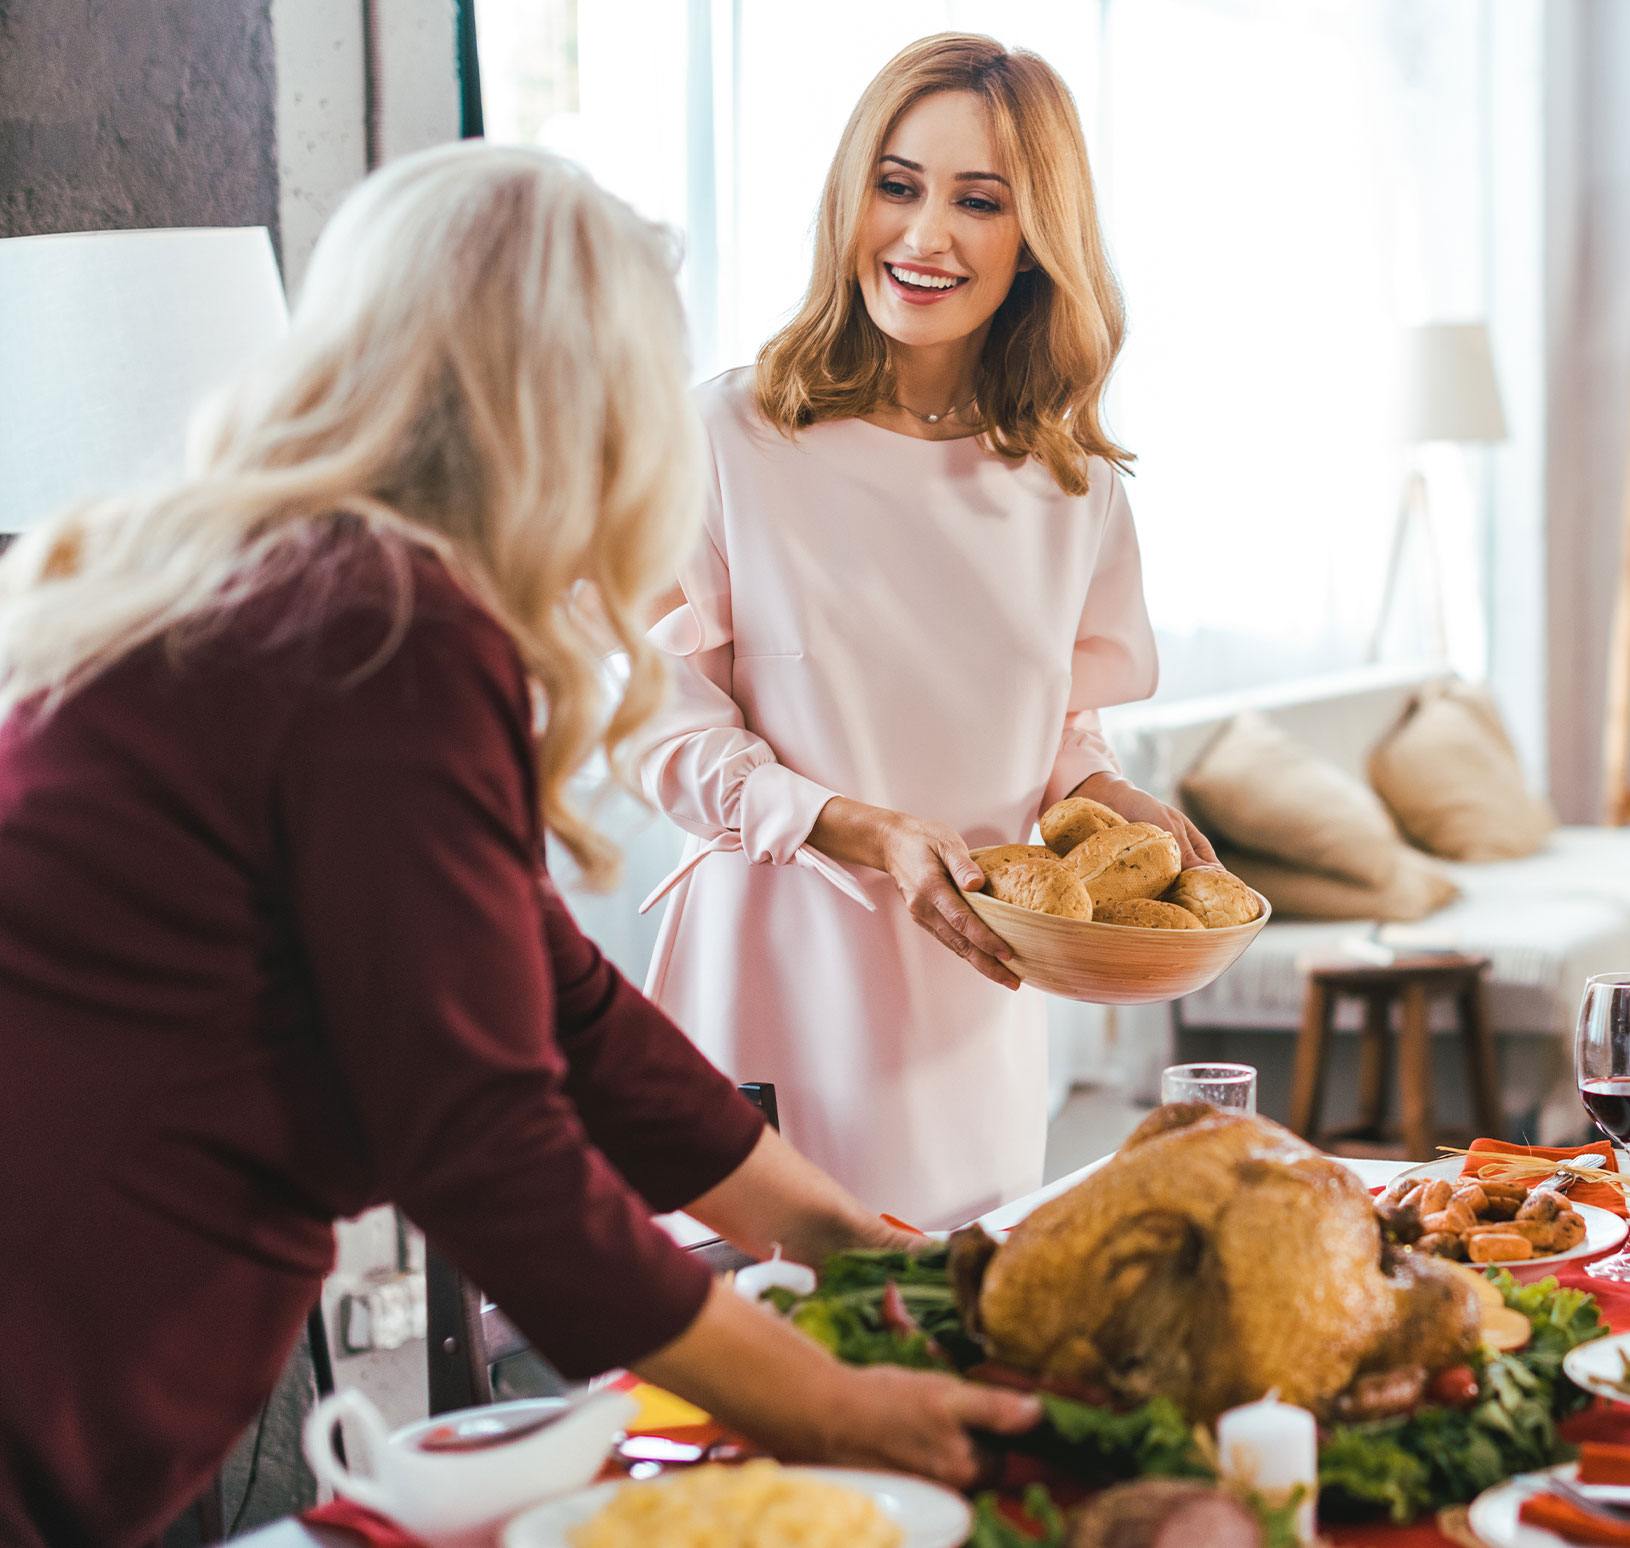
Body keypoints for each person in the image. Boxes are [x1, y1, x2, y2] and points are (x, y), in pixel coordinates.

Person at [0, 146, 1036, 1546]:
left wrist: (856, 1245)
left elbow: (573, 1011)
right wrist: (834, 1407)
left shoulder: (302, 580)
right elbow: (487, 1151)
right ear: (585, 413)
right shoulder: (381, 637)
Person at [639, 34, 1210, 1226]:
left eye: (978, 201)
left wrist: (1113, 799)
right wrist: (861, 830)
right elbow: (658, 729)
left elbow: (1055, 735)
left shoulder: (1070, 486)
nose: (924, 236)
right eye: (896, 186)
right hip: (774, 978)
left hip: (973, 1002)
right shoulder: (725, 441)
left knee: (954, 1356)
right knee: (760, 1365)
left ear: (1035, 238)